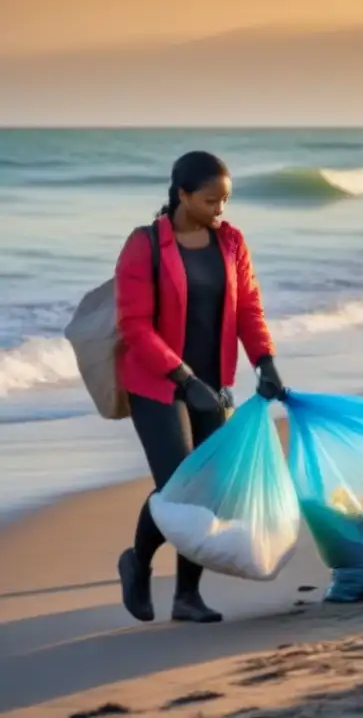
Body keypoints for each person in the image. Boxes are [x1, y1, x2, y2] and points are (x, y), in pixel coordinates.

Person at [114, 151, 285, 624]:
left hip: (215, 383)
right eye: (211, 200)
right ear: (183, 194)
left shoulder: (231, 243)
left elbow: (249, 308)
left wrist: (265, 362)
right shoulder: (144, 245)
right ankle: (137, 563)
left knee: (206, 491)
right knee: (178, 490)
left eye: (225, 200)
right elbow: (135, 327)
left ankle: (187, 596)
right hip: (158, 384)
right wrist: (182, 379)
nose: (220, 210)